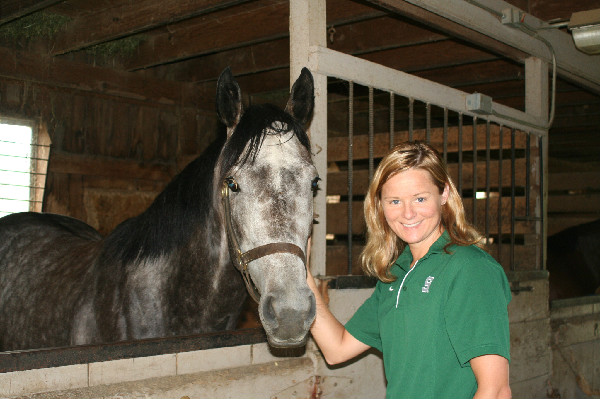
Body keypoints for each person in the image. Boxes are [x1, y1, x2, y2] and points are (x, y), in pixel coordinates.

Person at [306, 141, 512, 399]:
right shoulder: (396, 275)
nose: (407, 214)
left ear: (444, 194)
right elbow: (337, 349)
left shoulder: (470, 268)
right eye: (394, 201)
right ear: (380, 205)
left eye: (420, 198)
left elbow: (495, 390)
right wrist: (301, 275)